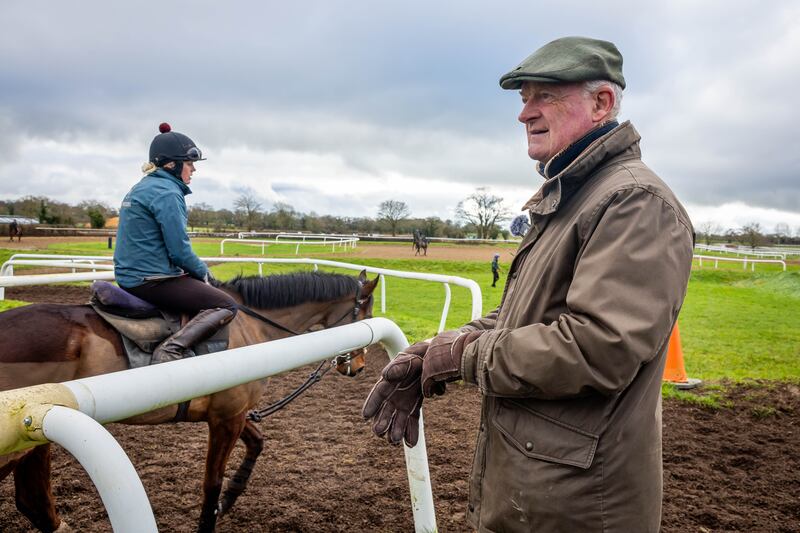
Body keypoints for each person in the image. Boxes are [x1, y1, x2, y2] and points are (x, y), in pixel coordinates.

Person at [363, 36, 694, 532]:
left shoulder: (633, 202)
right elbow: (524, 315)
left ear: (601, 103)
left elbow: (597, 347)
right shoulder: (573, 196)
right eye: (524, 99)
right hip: (538, 490)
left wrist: (462, 357)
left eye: (545, 96)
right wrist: (439, 350)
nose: (525, 113)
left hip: (578, 506)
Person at [113, 123, 238, 364]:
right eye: (190, 163)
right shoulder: (168, 192)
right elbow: (179, 250)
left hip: (135, 276)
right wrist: (204, 273)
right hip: (151, 280)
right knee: (226, 304)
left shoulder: (144, 186)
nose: (193, 170)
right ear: (172, 164)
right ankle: (170, 350)